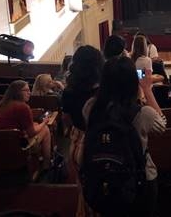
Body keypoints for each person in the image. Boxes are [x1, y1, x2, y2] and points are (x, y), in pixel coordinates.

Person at [83, 56, 165, 216]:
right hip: (139, 179)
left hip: (100, 176)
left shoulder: (90, 107)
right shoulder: (142, 113)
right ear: (132, 82)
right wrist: (147, 90)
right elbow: (161, 125)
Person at [61, 45, 104, 217]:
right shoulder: (102, 92)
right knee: (100, 190)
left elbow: (66, 120)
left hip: (77, 142)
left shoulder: (68, 92)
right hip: (99, 143)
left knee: (83, 187)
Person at [0, 80, 52, 169]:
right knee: (45, 129)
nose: (29, 93)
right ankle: (47, 164)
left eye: (29, 90)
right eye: (26, 90)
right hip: (17, 146)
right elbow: (31, 133)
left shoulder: (0, 105)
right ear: (17, 92)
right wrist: (44, 122)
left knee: (35, 124)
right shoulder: (23, 107)